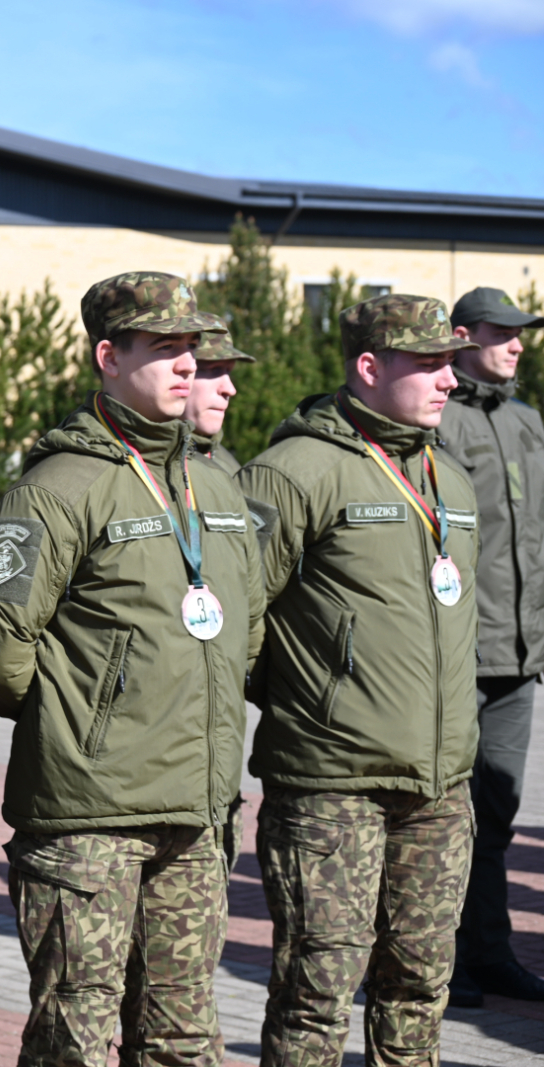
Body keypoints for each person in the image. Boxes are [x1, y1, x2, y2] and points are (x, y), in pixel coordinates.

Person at [0, 272, 261, 1067]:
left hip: (195, 811)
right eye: (164, 348)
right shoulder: (60, 487)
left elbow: (243, 626)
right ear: (108, 356)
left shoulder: (214, 481)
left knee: (185, 1038)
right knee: (74, 1039)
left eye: (191, 347)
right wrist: (86, 712)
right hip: (89, 817)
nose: (187, 365)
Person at [237, 294, 480, 1064]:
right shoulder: (292, 471)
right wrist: (320, 699)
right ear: (369, 367)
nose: (449, 379)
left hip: (439, 787)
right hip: (330, 786)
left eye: (451, 361)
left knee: (419, 986)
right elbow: (237, 621)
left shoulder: (454, 480)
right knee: (316, 990)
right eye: (429, 363)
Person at [440, 286, 544, 1005]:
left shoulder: (528, 421)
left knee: (498, 815)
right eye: (500, 331)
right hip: (459, 655)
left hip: (520, 658)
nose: (515, 343)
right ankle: (435, 959)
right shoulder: (436, 419)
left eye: (520, 332)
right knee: (446, 816)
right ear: (461, 335)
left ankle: (490, 951)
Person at [182, 316, 254, 476]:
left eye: (229, 371)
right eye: (213, 370)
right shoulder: (127, 461)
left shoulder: (230, 470)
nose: (229, 389)